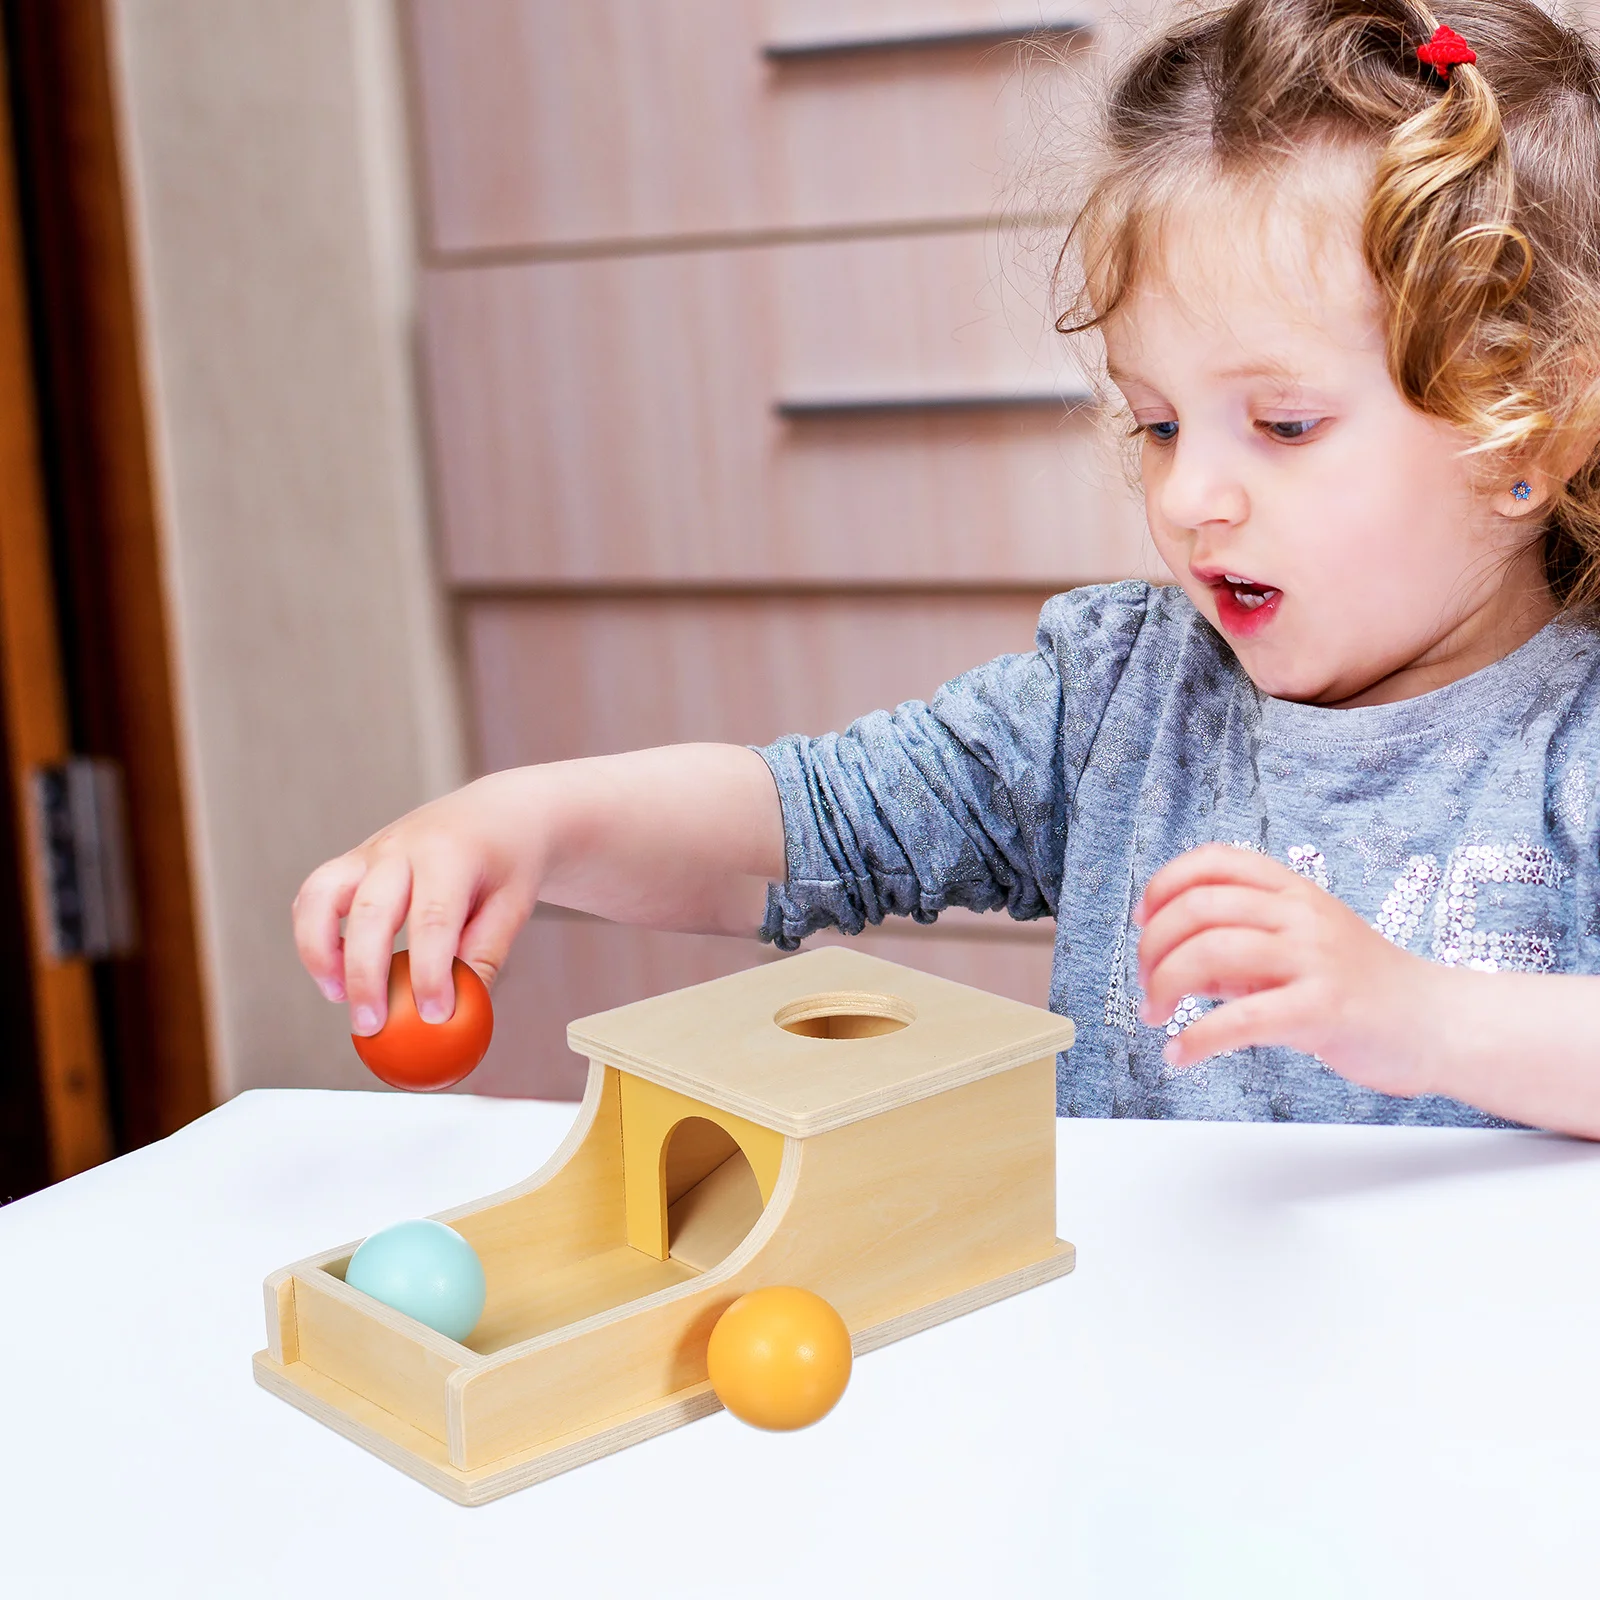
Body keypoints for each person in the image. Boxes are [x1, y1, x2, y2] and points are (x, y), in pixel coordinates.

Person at [294, 0, 1600, 1137]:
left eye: (1284, 426)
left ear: (1527, 431)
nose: (1193, 494)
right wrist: (530, 825)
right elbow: (802, 825)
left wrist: (1417, 1018)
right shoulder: (1113, 707)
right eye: (1156, 424)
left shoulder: (1573, 747)